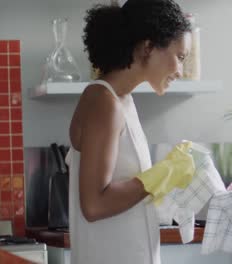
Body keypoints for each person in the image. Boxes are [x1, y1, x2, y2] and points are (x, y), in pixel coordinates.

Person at [66, 0, 194, 263]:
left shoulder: (122, 100)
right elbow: (93, 205)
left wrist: (164, 178)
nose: (180, 71)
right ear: (148, 47)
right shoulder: (104, 102)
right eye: (179, 57)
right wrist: (160, 175)